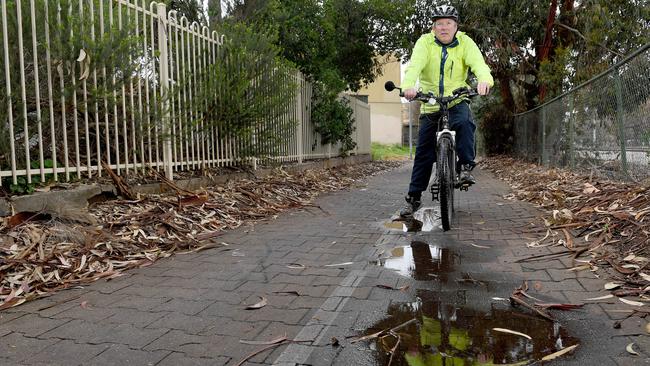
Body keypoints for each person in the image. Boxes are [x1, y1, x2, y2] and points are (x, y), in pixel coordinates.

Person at [400, 4, 493, 217]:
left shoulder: (465, 42)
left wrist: (484, 80)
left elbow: (479, 65)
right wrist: (408, 86)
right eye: (439, 23)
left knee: (464, 123)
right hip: (431, 102)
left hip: (456, 99)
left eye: (448, 23)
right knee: (423, 152)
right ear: (433, 27)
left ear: (455, 26)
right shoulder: (424, 43)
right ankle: (413, 198)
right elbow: (414, 66)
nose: (444, 27)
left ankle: (465, 167)